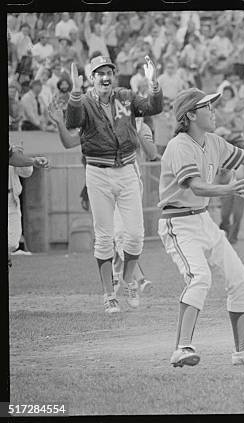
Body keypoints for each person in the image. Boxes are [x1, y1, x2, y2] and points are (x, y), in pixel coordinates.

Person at [156, 88, 244, 367]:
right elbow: (195, 185)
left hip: (202, 220)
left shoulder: (212, 141)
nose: (212, 110)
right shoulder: (180, 145)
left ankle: (241, 351)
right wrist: (226, 189)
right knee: (199, 278)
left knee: (239, 280)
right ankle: (181, 348)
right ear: (190, 115)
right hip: (178, 223)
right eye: (206, 106)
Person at [64, 55, 163, 314]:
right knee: (105, 237)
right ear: (92, 78)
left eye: (108, 72)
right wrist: (75, 93)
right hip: (97, 171)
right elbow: (72, 122)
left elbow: (154, 108)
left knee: (135, 236)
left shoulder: (126, 96)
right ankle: (109, 295)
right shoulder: (83, 101)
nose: (105, 77)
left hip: (127, 169)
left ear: (114, 75)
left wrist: (153, 83)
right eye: (99, 73)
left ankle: (129, 279)